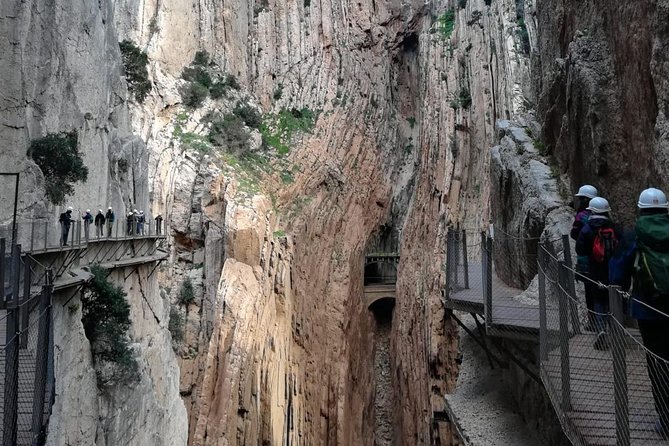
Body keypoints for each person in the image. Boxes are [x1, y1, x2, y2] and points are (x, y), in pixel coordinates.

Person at [610, 188, 669, 438]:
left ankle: (665, 421)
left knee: (657, 362)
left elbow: (618, 270)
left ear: (640, 209)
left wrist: (620, 294)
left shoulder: (635, 234)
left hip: (647, 309)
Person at [576, 197, 619, 350]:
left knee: (598, 300)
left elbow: (579, 249)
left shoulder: (587, 228)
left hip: (595, 269)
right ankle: (615, 328)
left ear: (591, 210)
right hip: (612, 269)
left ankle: (601, 329)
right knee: (612, 298)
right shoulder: (613, 227)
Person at [571, 184, 599, 330]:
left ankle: (593, 322)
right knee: (602, 291)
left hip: (587, 262)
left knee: (590, 292)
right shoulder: (605, 217)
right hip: (603, 261)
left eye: (581, 199)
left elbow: (574, 234)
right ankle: (605, 322)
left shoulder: (582, 216)